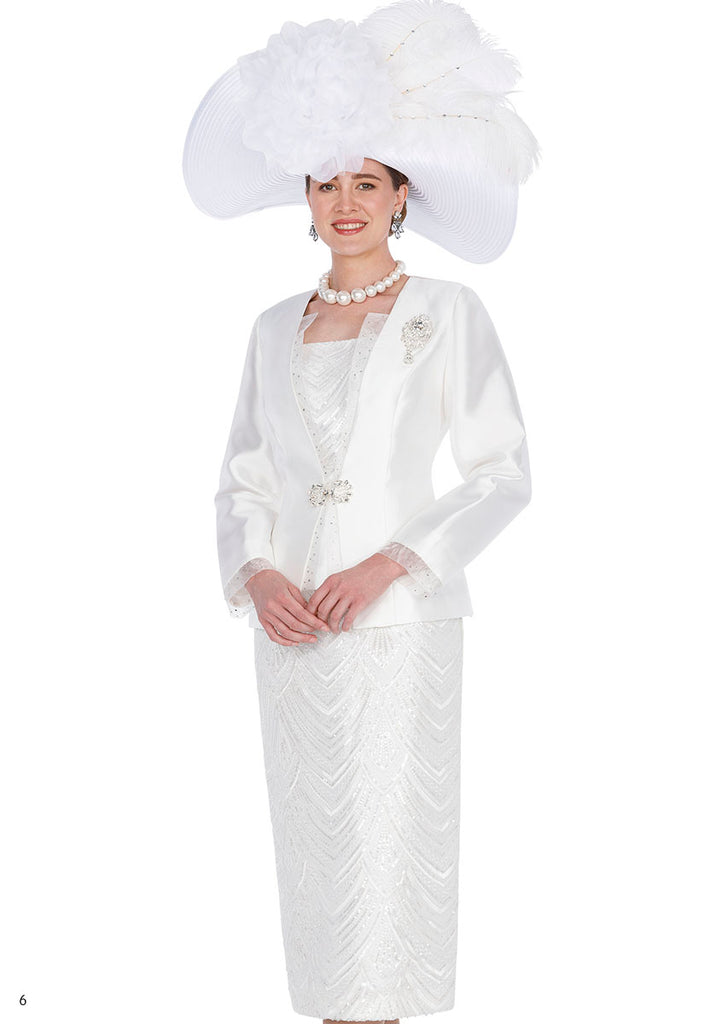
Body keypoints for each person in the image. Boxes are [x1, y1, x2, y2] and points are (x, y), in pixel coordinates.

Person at [182, 2, 540, 1021]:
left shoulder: (446, 313)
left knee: (390, 855)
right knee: (318, 862)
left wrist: (389, 562)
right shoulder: (270, 329)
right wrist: (257, 576)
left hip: (399, 627)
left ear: (401, 196)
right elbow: (242, 478)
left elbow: (503, 471)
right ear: (304, 196)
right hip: (294, 630)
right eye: (327, 182)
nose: (346, 202)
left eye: (367, 183)